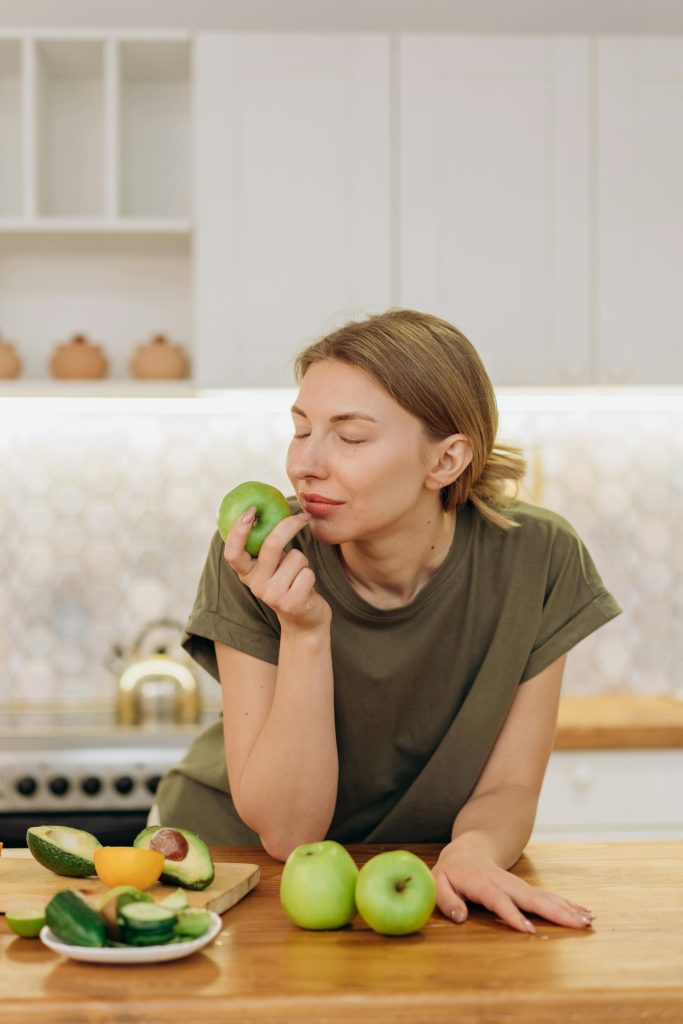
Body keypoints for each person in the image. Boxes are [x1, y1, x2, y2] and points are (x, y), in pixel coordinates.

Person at [155, 308, 622, 934]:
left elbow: (510, 785)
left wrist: (473, 852)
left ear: (446, 461)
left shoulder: (538, 558)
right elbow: (289, 832)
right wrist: (305, 630)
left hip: (415, 874)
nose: (304, 465)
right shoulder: (264, 558)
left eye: (349, 438)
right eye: (300, 430)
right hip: (235, 868)